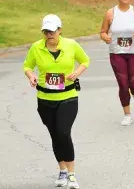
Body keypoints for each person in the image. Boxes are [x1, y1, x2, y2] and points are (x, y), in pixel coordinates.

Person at [23, 14, 90, 189]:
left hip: (68, 96)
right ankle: (62, 170)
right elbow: (27, 66)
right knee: (55, 135)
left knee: (63, 132)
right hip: (45, 99)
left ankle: (72, 175)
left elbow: (85, 61)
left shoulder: (71, 45)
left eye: (52, 31)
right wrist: (31, 76)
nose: (49, 34)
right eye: (45, 31)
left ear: (59, 30)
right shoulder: (36, 48)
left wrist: (77, 72)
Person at [100, 0, 134, 126]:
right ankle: (127, 114)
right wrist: (106, 37)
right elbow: (102, 32)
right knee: (123, 83)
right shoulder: (110, 13)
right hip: (116, 52)